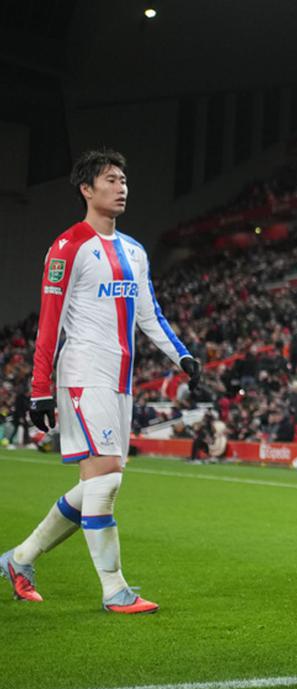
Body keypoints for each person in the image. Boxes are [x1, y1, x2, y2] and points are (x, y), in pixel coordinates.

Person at [1, 149, 200, 612]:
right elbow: (49, 324)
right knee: (105, 482)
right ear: (87, 190)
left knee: (98, 483)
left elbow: (150, 314)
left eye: (124, 179)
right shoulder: (68, 247)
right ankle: (114, 590)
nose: (122, 186)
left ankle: (21, 558)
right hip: (83, 375)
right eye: (111, 179)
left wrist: (183, 356)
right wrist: (39, 389)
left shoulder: (135, 251)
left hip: (120, 382)